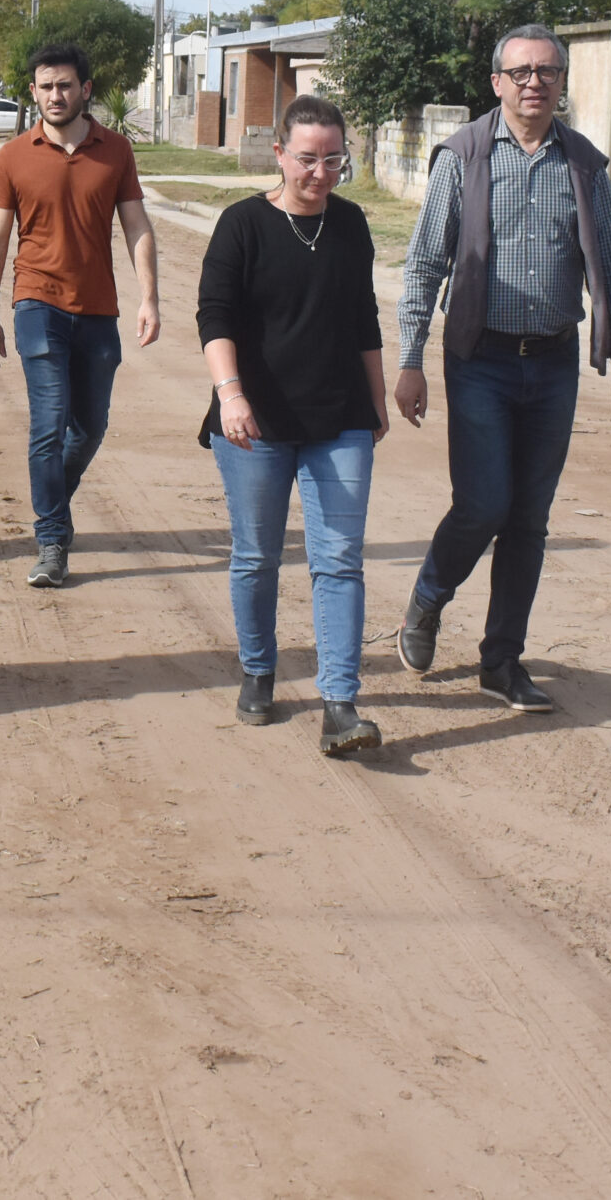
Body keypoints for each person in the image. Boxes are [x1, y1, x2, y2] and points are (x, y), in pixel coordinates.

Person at [394, 23, 611, 713]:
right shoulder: (463, 157)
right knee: (483, 504)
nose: (535, 82)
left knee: (529, 518)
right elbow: (425, 263)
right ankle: (428, 596)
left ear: (561, 82)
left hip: (554, 362)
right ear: (497, 82)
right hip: (481, 359)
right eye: (522, 71)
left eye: (548, 71)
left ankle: (502, 660)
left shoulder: (584, 165)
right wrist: (410, 359)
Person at [199, 93, 391, 756]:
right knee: (257, 555)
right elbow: (214, 316)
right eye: (307, 158)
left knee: (339, 559)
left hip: (340, 418)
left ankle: (340, 703)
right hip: (255, 422)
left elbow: (363, 317)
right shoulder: (242, 224)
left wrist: (376, 402)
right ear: (279, 154)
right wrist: (230, 395)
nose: (320, 172)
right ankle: (258, 671)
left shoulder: (351, 222)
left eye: (333, 159)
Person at [0, 41, 160, 588]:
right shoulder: (12, 156)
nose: (54, 95)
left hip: (98, 308)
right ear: (33, 92)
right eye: (45, 87)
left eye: (64, 86)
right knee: (48, 423)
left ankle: (53, 496)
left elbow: (137, 226)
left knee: (90, 427)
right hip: (37, 303)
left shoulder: (116, 151)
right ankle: (52, 541)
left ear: (85, 90)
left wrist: (150, 298)